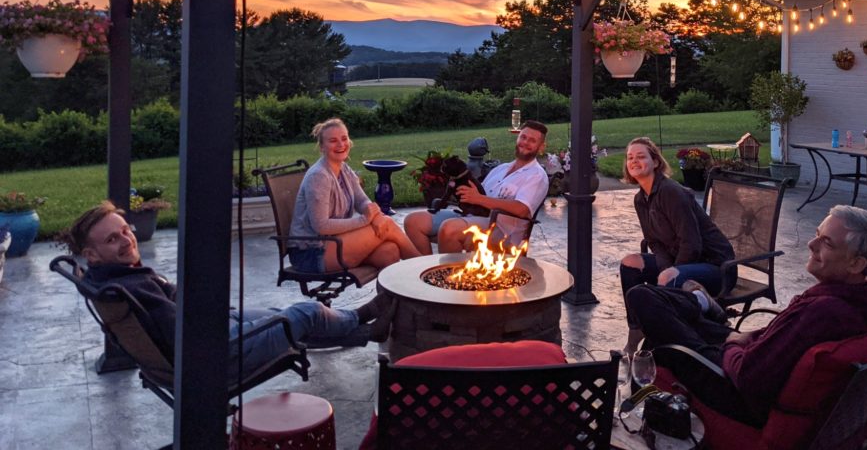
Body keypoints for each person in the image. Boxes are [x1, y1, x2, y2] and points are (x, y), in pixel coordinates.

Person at [627, 205, 867, 426]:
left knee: (645, 304)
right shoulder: (866, 300)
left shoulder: (824, 312)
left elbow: (748, 377)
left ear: (856, 264)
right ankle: (703, 305)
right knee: (653, 299)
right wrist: (748, 336)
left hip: (728, 382)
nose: (811, 244)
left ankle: (702, 305)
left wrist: (733, 343)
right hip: (751, 355)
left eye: (826, 242)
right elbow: (783, 341)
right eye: (817, 234)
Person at [62, 201, 394, 377]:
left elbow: (172, 307)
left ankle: (365, 332)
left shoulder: (112, 278)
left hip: (209, 330)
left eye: (124, 230)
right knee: (302, 313)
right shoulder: (125, 286)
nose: (125, 240)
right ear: (90, 254)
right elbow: (180, 333)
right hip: (214, 353)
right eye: (112, 239)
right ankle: (361, 318)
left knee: (282, 316)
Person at [619, 136, 735, 354]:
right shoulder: (640, 198)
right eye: (630, 157)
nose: (634, 161)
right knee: (630, 263)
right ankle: (635, 332)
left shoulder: (671, 192)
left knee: (668, 278)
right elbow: (654, 241)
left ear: (655, 162)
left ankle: (665, 345)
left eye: (641, 156)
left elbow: (692, 243)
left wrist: (673, 271)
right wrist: (666, 268)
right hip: (682, 260)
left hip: (715, 267)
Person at [289, 118, 420, 273]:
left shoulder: (343, 168)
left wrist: (376, 216)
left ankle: (388, 298)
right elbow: (321, 226)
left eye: (344, 139)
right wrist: (365, 220)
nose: (340, 145)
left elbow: (362, 200)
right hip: (311, 253)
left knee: (389, 252)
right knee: (389, 225)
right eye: (333, 141)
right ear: (322, 147)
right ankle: (426, 271)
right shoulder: (319, 176)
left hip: (333, 242)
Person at [403, 120, 550, 254]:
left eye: (532, 140)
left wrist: (479, 199)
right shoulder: (501, 168)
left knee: (449, 229)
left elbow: (522, 209)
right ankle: (426, 271)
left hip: (501, 229)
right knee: (413, 221)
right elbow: (477, 192)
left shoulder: (536, 175)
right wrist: (457, 189)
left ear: (541, 147)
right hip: (474, 215)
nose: (525, 142)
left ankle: (449, 279)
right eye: (523, 137)